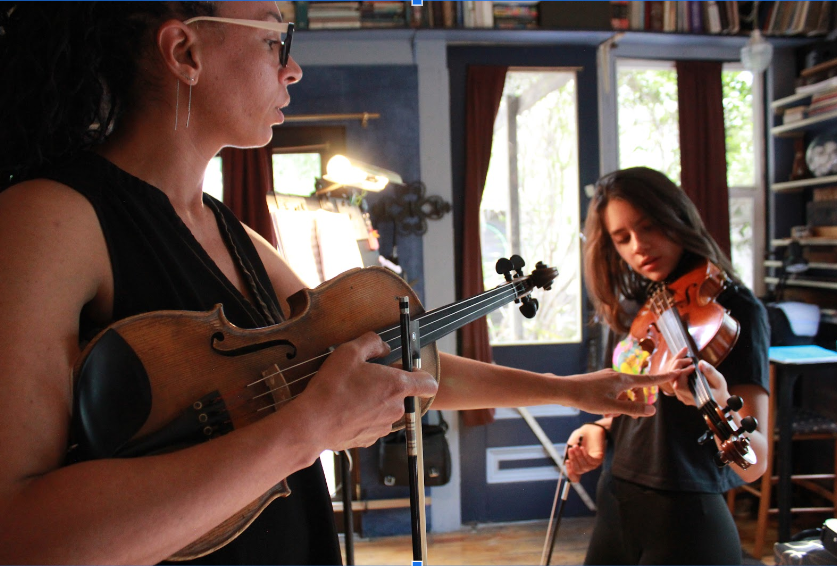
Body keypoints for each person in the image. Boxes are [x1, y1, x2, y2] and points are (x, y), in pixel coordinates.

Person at [0, 4, 689, 564]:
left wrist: (569, 391)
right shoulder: (50, 217)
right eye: (275, 38)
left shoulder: (234, 236)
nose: (292, 67)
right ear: (184, 52)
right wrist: (304, 433)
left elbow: (382, 363)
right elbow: (19, 532)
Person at [564, 167, 770, 565]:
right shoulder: (639, 308)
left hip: (686, 520)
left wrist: (718, 398)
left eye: (649, 227)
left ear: (678, 218)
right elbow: (640, 411)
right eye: (622, 238)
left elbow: (755, 463)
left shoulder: (738, 310)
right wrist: (598, 428)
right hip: (616, 500)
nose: (638, 246)